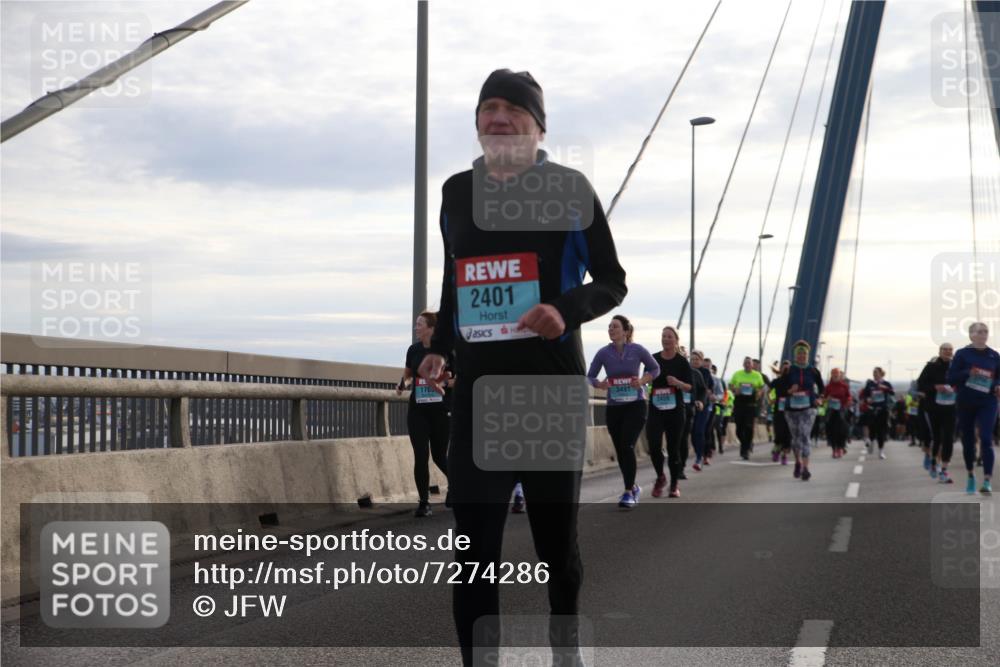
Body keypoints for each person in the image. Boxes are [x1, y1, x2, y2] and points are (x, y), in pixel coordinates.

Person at [418, 68, 628, 666]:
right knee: (473, 552)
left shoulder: (569, 187)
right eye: (488, 107)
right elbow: (456, 277)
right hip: (480, 399)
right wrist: (440, 347)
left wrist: (566, 309)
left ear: (539, 128)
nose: (498, 116)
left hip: (548, 394)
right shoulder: (457, 192)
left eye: (514, 109)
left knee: (555, 550)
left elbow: (612, 282)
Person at [588, 315, 658, 508]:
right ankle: (633, 485)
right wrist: (599, 383)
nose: (611, 329)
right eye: (609, 327)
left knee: (627, 445)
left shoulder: (637, 350)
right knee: (620, 449)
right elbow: (591, 376)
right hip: (614, 407)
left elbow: (655, 368)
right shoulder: (603, 353)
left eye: (615, 327)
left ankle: (628, 492)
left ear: (626, 331)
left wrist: (642, 381)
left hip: (635, 405)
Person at [398, 311, 452, 517]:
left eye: (419, 324)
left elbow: (457, 379)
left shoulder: (446, 351)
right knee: (421, 456)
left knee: (439, 456)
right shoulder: (413, 350)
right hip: (418, 411)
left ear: (431, 328)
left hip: (440, 411)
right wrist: (403, 383)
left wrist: (441, 382)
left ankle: (455, 485)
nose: (416, 327)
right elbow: (409, 376)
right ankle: (423, 502)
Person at [946, 322, 1000, 495]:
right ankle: (970, 475)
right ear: (971, 335)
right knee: (968, 441)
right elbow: (951, 378)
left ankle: (987, 480)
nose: (983, 334)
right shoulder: (962, 354)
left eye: (986, 331)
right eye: (979, 331)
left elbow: (999, 378)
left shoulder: (994, 355)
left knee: (985, 438)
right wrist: (967, 373)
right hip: (966, 402)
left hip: (988, 401)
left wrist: (998, 386)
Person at [646, 326, 693, 498]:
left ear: (676, 340)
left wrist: (677, 382)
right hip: (656, 409)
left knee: (674, 449)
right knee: (654, 445)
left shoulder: (681, 362)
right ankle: (660, 477)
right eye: (663, 336)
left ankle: (674, 484)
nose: (666, 339)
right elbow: (646, 378)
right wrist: (643, 381)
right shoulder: (653, 359)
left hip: (675, 411)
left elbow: (690, 387)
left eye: (669, 336)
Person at [773, 340, 824, 480]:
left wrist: (820, 398)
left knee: (804, 435)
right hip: (792, 409)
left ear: (808, 355)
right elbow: (780, 388)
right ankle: (797, 462)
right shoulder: (789, 370)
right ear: (796, 355)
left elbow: (821, 387)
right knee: (795, 438)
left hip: (809, 408)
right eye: (799, 353)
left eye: (804, 353)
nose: (802, 356)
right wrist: (789, 390)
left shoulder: (813, 371)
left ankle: (806, 468)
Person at [918, 343, 956, 483]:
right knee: (937, 437)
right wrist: (935, 387)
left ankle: (944, 469)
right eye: (944, 349)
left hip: (951, 407)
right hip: (933, 407)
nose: (947, 351)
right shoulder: (931, 367)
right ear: (939, 351)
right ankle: (934, 461)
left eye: (950, 349)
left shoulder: (956, 367)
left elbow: (964, 382)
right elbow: (920, 384)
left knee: (949, 438)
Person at [729, 356, 766, 460]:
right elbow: (730, 385)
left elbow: (762, 387)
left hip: (751, 404)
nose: (747, 365)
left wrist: (759, 392)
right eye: (745, 363)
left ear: (752, 365)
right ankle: (746, 444)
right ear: (743, 364)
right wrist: (735, 389)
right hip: (739, 404)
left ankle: (745, 450)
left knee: (749, 427)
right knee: (739, 429)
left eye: (749, 363)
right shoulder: (737, 374)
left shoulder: (757, 375)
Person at [860, 367, 895, 459]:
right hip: (872, 409)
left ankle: (881, 451)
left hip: (883, 410)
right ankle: (871, 442)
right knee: (872, 430)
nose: (875, 375)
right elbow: (864, 395)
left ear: (881, 374)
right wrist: (867, 399)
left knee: (881, 432)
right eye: (873, 373)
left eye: (876, 373)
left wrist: (885, 388)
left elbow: (892, 393)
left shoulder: (886, 384)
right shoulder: (870, 384)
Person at [689, 350, 714, 470]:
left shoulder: (705, 372)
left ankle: (699, 458)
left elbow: (709, 388)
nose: (694, 361)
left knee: (699, 431)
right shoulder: (687, 371)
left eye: (696, 359)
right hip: (689, 405)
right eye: (692, 359)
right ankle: (699, 452)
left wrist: (703, 397)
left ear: (701, 360)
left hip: (703, 406)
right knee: (692, 433)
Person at [824, 368, 852, 459]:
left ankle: (840, 448)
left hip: (841, 410)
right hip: (831, 411)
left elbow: (849, 397)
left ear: (840, 376)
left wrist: (848, 401)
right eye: (833, 374)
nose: (835, 375)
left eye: (837, 374)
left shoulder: (844, 386)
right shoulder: (828, 387)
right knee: (831, 431)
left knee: (841, 431)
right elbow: (823, 398)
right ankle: (834, 450)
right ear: (831, 375)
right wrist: (827, 399)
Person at [770, 361, 792, 464]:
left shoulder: (793, 382)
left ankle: (784, 455)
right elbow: (768, 390)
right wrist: (771, 399)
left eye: (788, 368)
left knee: (788, 434)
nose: (786, 370)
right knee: (779, 432)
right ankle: (777, 450)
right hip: (778, 410)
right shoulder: (777, 381)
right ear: (781, 369)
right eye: (784, 368)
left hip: (791, 411)